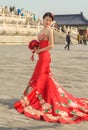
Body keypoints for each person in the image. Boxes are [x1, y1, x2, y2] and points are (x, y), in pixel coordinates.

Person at [14, 12, 88, 124]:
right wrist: (35, 47)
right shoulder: (41, 30)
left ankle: (37, 99)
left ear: (51, 21)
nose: (48, 21)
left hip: (45, 57)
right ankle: (40, 97)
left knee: (39, 78)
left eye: (50, 20)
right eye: (46, 19)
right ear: (43, 19)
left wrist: (39, 50)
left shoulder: (49, 30)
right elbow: (41, 43)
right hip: (40, 57)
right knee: (42, 78)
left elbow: (51, 45)